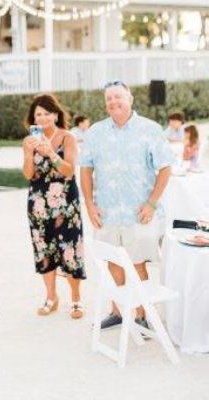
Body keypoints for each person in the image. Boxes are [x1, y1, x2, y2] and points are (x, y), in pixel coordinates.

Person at [80, 81, 173, 331]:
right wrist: (89, 204)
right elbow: (86, 170)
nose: (113, 102)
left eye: (118, 97)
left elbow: (165, 168)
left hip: (139, 213)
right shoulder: (95, 133)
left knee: (138, 262)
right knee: (113, 263)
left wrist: (152, 204)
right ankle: (118, 312)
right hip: (107, 213)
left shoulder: (150, 129)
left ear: (130, 98)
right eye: (109, 98)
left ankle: (143, 316)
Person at [22, 94, 85, 319]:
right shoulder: (30, 141)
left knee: (70, 249)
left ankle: (76, 299)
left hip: (66, 203)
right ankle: (51, 297)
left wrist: (50, 152)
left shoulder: (67, 137)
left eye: (47, 113)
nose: (43, 117)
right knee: (44, 249)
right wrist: (29, 153)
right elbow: (28, 175)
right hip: (38, 203)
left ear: (56, 115)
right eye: (38, 114)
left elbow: (69, 170)